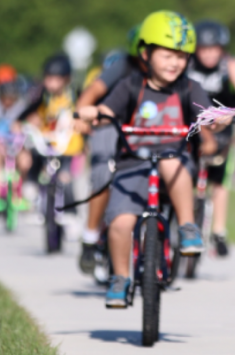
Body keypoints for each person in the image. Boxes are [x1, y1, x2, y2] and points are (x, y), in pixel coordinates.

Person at [75, 10, 218, 308]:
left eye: (181, 56)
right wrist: (94, 114)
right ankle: (120, 277)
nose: (175, 62)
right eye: (167, 55)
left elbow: (208, 114)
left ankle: (188, 226)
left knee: (168, 158)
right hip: (132, 166)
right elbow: (109, 111)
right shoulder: (130, 85)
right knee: (119, 223)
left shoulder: (190, 88)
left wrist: (218, 121)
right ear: (146, 53)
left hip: (174, 166)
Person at [187, 20, 235, 256]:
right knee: (184, 172)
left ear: (222, 48)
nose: (209, 53)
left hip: (223, 126)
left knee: (220, 179)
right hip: (192, 125)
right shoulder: (186, 64)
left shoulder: (229, 65)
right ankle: (184, 221)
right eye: (204, 48)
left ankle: (218, 230)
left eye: (214, 48)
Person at [76, 25, 144, 275]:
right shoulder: (123, 66)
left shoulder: (173, 70)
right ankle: (90, 236)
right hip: (109, 122)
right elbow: (93, 91)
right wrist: (82, 114)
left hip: (145, 130)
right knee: (104, 174)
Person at [19, 54, 85, 215]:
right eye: (48, 79)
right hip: (48, 140)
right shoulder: (44, 96)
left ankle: (70, 215)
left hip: (68, 144)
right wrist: (21, 122)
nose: (51, 83)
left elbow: (85, 113)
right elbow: (30, 110)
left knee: (65, 179)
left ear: (66, 79)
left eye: (55, 79)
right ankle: (31, 184)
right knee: (34, 154)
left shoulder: (75, 94)